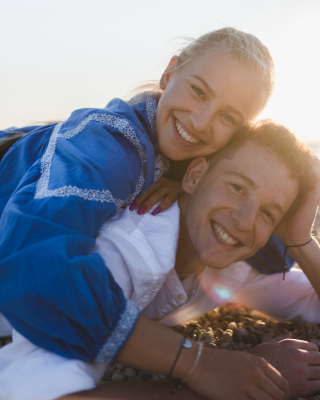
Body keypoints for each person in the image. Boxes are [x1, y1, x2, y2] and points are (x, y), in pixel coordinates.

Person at [0, 121, 320, 400]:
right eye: (238, 187)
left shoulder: (234, 265)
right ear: (195, 175)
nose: (244, 221)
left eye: (268, 214)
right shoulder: (125, 254)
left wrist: (299, 238)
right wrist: (215, 381)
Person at [0, 27, 293, 372]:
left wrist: (302, 190)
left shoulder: (184, 163)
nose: (201, 122)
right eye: (198, 91)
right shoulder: (110, 146)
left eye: (228, 117)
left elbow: (275, 256)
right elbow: (33, 268)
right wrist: (195, 363)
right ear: (169, 73)